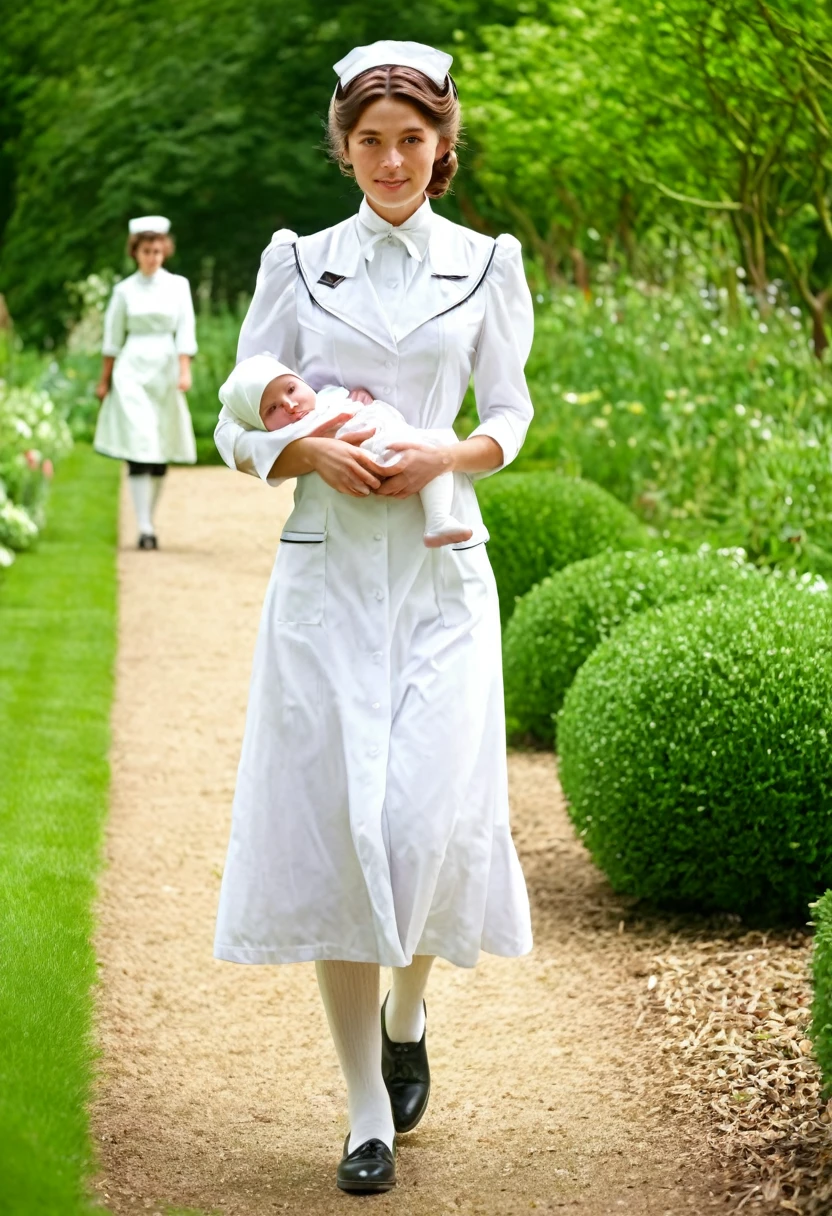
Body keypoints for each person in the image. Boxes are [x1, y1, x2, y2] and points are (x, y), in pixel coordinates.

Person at [213, 39, 535, 1194]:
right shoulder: (297, 262)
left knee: (419, 827)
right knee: (344, 827)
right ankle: (364, 1110)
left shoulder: (489, 261)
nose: (391, 159)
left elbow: (509, 406)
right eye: (370, 140)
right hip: (325, 577)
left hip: (443, 578)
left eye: (411, 139)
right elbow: (236, 416)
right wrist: (304, 448)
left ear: (442, 144)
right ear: (343, 146)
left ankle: (408, 1009)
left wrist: (441, 451)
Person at [218, 353, 473, 546]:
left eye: (291, 389)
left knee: (437, 451)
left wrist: (360, 396)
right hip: (375, 452)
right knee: (422, 456)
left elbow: (350, 399)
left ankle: (440, 520)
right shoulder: (289, 434)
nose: (290, 404)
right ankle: (438, 520)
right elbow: (238, 439)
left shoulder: (328, 394)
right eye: (272, 409)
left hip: (394, 432)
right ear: (263, 425)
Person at [94, 215, 198, 550]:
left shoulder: (178, 286)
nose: (152, 257)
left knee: (160, 445)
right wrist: (104, 380)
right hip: (132, 368)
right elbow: (112, 339)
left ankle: (149, 520)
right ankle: (144, 526)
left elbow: (185, 331)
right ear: (135, 253)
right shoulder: (123, 291)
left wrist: (184, 371)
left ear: (164, 251)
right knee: (140, 443)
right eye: (145, 251)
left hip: (165, 367)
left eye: (157, 250)